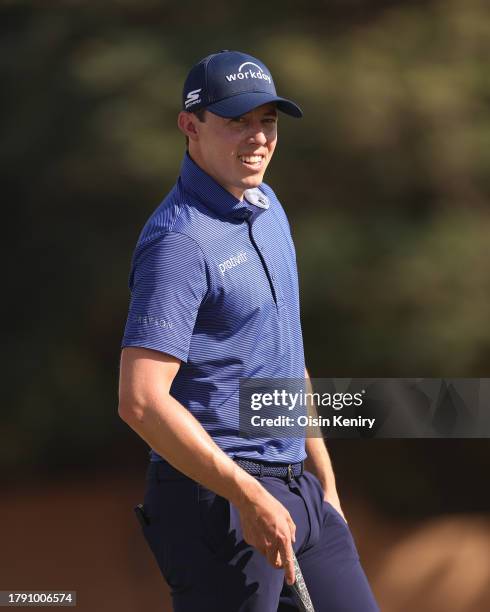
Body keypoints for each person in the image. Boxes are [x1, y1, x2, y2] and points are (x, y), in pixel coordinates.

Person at [118, 50, 379, 611]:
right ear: (190, 125)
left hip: (298, 493)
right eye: (237, 120)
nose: (257, 137)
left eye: (268, 120)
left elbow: (286, 355)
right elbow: (139, 401)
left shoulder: (267, 205)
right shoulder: (178, 241)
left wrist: (325, 483)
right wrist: (246, 494)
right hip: (217, 501)